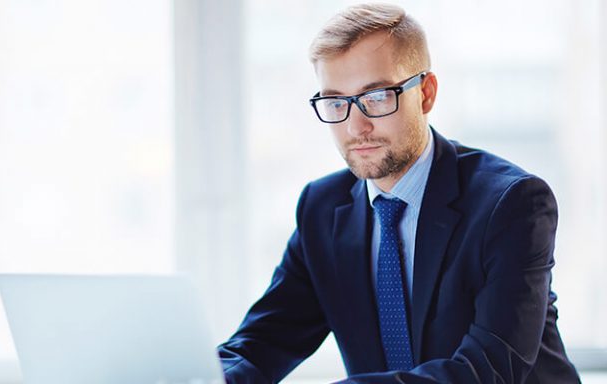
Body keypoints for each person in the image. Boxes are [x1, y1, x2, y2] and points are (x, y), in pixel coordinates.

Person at [217, 3, 580, 383]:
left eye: (375, 97)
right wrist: (203, 377)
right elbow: (261, 343)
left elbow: (487, 370)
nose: (356, 126)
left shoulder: (511, 204)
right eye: (336, 102)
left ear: (425, 94)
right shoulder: (322, 210)